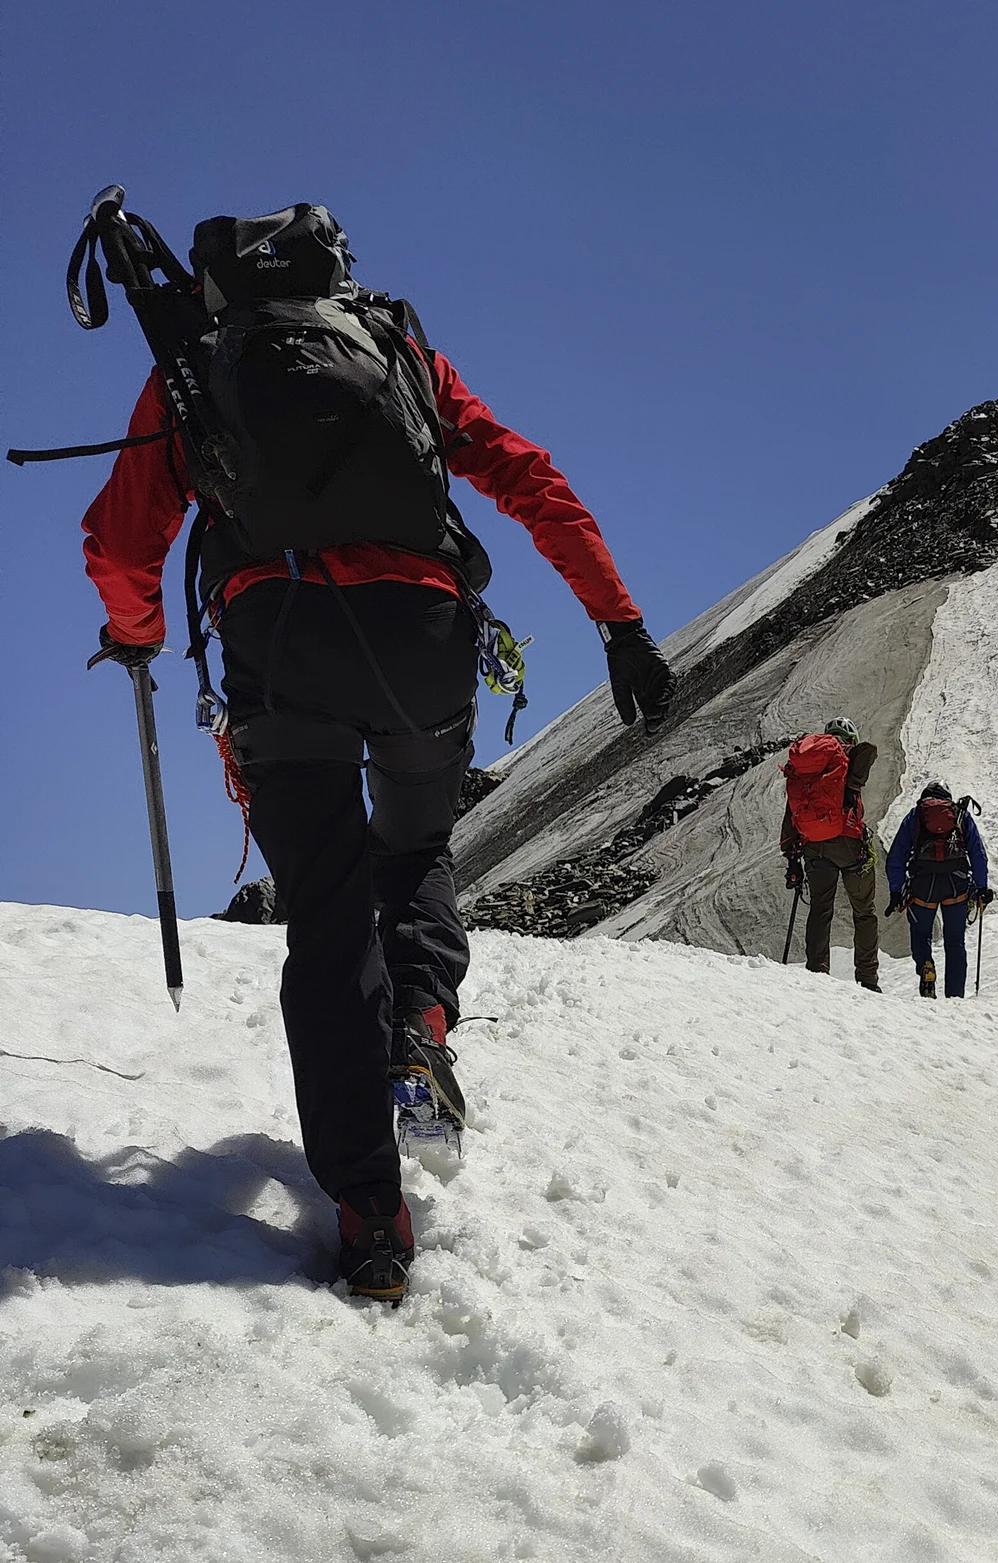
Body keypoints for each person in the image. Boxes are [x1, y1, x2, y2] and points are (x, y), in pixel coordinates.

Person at [81, 202, 672, 1304]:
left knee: (326, 916)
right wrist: (620, 625)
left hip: (283, 644)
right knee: (416, 852)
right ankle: (423, 1029)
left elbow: (123, 541)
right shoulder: (399, 352)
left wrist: (135, 634)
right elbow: (527, 478)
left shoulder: (193, 369)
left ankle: (369, 1214)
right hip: (424, 646)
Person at [780, 717, 881, 992]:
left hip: (814, 847)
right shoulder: (847, 759)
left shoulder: (808, 769)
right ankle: (868, 978)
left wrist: (791, 858)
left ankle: (817, 970)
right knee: (864, 911)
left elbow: (792, 811)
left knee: (820, 909)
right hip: (849, 845)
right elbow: (870, 749)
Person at [886, 782, 991, 997]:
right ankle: (955, 996)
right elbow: (978, 854)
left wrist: (896, 891)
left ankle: (926, 966)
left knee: (921, 934)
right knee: (955, 942)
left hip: (923, 887)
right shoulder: (960, 816)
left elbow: (896, 857)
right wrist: (982, 888)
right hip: (956, 886)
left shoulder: (915, 817)